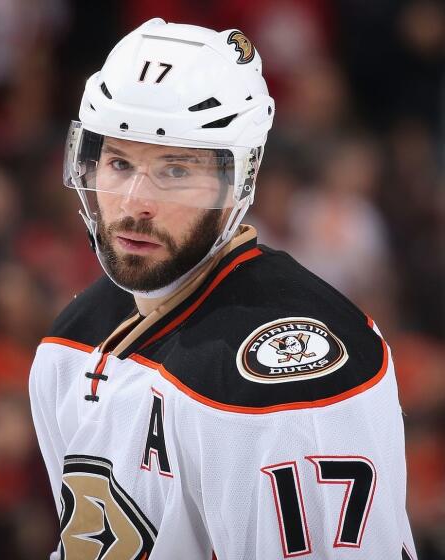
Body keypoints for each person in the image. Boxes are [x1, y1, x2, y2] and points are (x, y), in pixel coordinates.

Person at [29, 19, 417, 559]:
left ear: (239, 181)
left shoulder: (287, 374)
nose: (137, 201)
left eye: (174, 171)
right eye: (119, 163)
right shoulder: (71, 344)